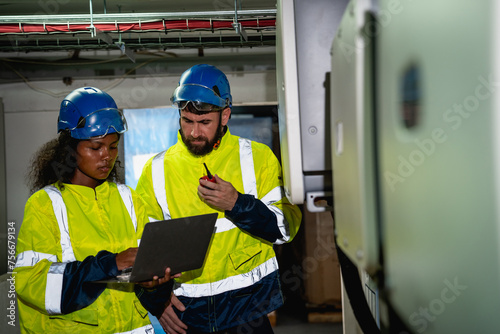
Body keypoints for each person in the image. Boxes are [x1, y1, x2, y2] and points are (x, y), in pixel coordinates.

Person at [135, 64, 302, 334]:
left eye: (204, 123)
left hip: (248, 311)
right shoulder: (155, 170)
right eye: (187, 120)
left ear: (225, 116)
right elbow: (144, 251)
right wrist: (156, 302)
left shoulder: (258, 158)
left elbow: (284, 229)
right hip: (188, 316)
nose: (194, 132)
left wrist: (236, 203)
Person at [14, 86, 177, 334]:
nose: (106, 157)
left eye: (113, 147)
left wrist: (156, 285)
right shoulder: (45, 205)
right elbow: (34, 285)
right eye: (96, 147)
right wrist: (110, 264)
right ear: (70, 148)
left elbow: (146, 293)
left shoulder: (129, 199)